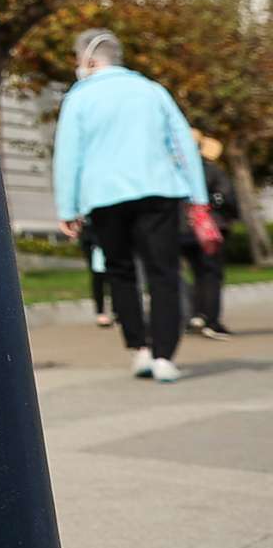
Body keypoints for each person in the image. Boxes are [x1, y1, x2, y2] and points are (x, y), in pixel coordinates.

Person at [55, 28, 205, 384]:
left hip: (105, 196)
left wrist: (68, 206)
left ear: (90, 61)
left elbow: (68, 155)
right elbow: (183, 143)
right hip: (159, 190)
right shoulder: (153, 91)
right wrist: (197, 197)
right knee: (164, 273)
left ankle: (139, 349)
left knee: (119, 270)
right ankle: (165, 355)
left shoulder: (79, 98)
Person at [182, 135, 239, 343]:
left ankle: (196, 314)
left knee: (194, 272)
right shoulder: (211, 171)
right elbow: (227, 198)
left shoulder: (174, 173)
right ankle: (211, 320)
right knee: (211, 274)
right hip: (209, 229)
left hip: (181, 229)